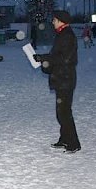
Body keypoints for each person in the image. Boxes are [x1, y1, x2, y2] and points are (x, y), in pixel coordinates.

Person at [33, 10, 81, 153]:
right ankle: (65, 139)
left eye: (54, 20)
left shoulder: (66, 36)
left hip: (65, 79)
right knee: (61, 112)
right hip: (62, 78)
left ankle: (73, 143)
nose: (52, 22)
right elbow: (57, 56)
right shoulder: (62, 35)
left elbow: (63, 59)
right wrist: (44, 60)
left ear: (61, 21)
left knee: (64, 112)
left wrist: (44, 59)